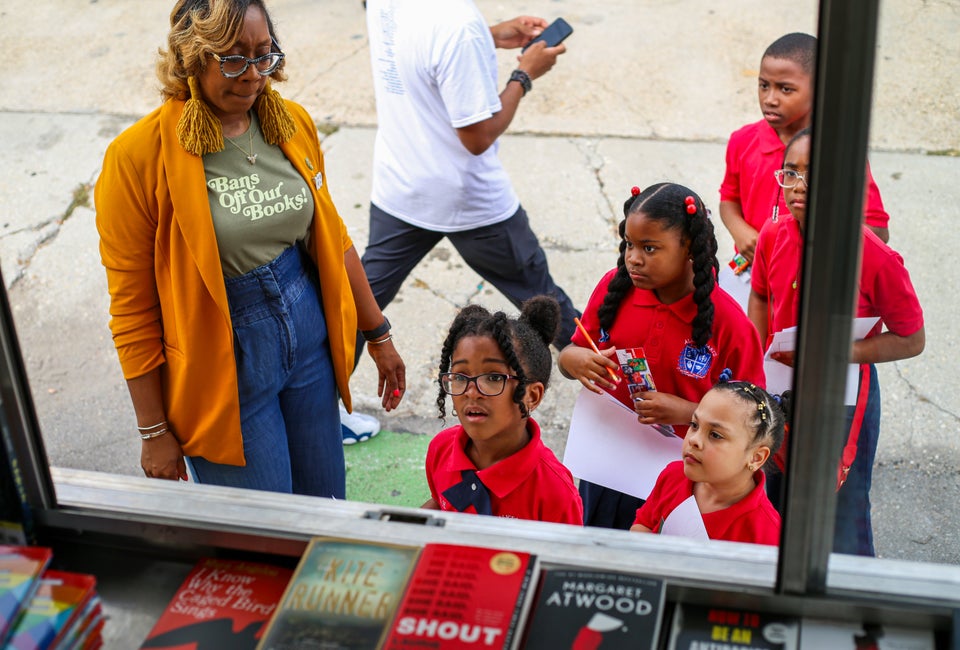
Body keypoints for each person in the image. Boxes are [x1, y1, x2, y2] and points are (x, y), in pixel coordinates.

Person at [94, 0, 404, 498]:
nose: (254, 74)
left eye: (264, 55)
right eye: (234, 58)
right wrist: (153, 430)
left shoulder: (290, 123)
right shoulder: (137, 157)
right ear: (192, 56)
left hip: (308, 339)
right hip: (222, 364)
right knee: (262, 524)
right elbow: (132, 310)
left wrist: (378, 333)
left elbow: (332, 236)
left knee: (326, 503)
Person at [357, 0, 580, 389]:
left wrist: (487, 36)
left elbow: (413, 46)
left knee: (355, 311)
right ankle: (624, 389)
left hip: (401, 189)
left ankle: (317, 411)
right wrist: (525, 74)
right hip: (470, 204)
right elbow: (477, 136)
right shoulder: (458, 24)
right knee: (548, 306)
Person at [748, 128, 925, 555]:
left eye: (815, 174)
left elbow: (911, 338)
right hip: (778, 387)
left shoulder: (871, 254)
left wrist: (835, 352)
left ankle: (848, 590)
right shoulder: (772, 234)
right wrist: (756, 362)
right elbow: (760, 296)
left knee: (841, 508)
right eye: (791, 173)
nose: (799, 185)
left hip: (842, 396)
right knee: (773, 492)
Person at [558, 183, 766, 530]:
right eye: (629, 244)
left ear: (689, 248)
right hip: (606, 467)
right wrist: (572, 361)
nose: (634, 258)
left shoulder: (730, 324)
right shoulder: (614, 288)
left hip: (684, 480)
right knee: (599, 545)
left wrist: (689, 413)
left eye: (650, 248)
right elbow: (573, 350)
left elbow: (755, 417)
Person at [718, 32, 889, 267]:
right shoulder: (743, 140)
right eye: (764, 85)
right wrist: (740, 231)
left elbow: (877, 228)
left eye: (785, 89)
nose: (770, 99)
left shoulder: (837, 152)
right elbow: (728, 199)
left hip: (807, 274)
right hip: (749, 267)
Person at [423, 297, 583, 525]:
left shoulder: (555, 492)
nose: (471, 392)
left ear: (532, 396)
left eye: (494, 377)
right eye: (460, 376)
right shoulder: (441, 449)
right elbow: (440, 504)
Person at [630, 381, 786, 546]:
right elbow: (643, 524)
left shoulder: (767, 534)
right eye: (694, 425)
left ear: (756, 457)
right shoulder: (673, 475)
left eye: (716, 435)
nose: (694, 440)